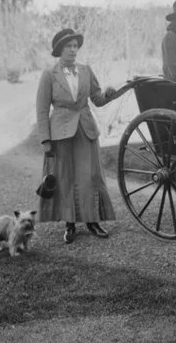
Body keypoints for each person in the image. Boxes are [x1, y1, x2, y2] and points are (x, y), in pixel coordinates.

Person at [36, 28, 118, 244]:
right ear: (59, 50)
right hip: (60, 133)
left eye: (75, 46)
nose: (73, 50)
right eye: (68, 46)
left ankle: (93, 222)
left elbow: (97, 99)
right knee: (65, 178)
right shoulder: (49, 74)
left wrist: (109, 94)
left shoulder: (86, 70)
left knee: (89, 176)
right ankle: (70, 224)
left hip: (85, 129)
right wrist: (45, 139)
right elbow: (42, 109)